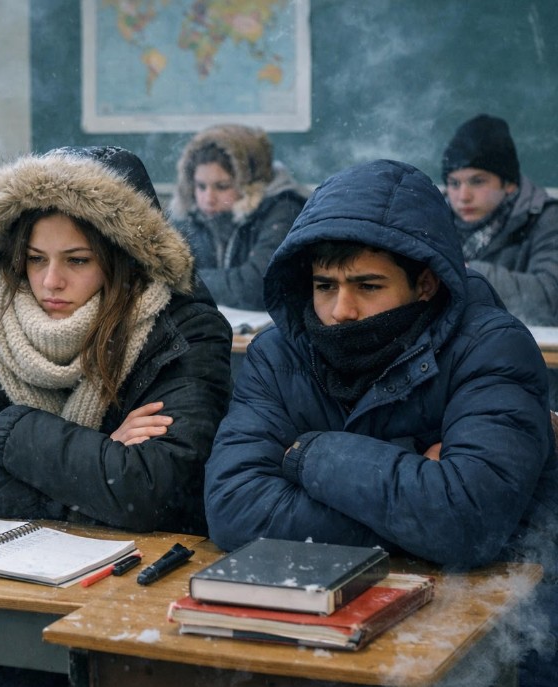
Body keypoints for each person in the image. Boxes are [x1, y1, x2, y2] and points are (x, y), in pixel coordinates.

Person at [205, 159, 558, 687]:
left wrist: (309, 454)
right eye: (325, 285)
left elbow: (467, 520)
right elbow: (232, 506)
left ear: (425, 283)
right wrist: (416, 498)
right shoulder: (277, 353)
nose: (340, 310)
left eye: (367, 286)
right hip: (328, 618)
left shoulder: (492, 346)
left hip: (502, 632)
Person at [0, 145, 233, 686]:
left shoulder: (182, 333)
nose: (50, 281)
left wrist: (4, 433)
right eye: (35, 258)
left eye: (77, 260)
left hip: (128, 596)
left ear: (124, 257)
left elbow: (146, 489)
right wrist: (83, 484)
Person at [169, 123, 306, 311]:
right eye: (201, 186)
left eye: (222, 186)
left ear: (249, 184)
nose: (208, 198)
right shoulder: (191, 216)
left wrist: (185, 280)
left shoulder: (283, 210)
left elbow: (257, 286)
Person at [442, 113, 558, 325]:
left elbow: (550, 300)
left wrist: (464, 273)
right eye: (454, 183)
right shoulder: (433, 215)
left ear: (509, 184)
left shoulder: (547, 219)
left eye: (477, 181)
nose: (463, 196)